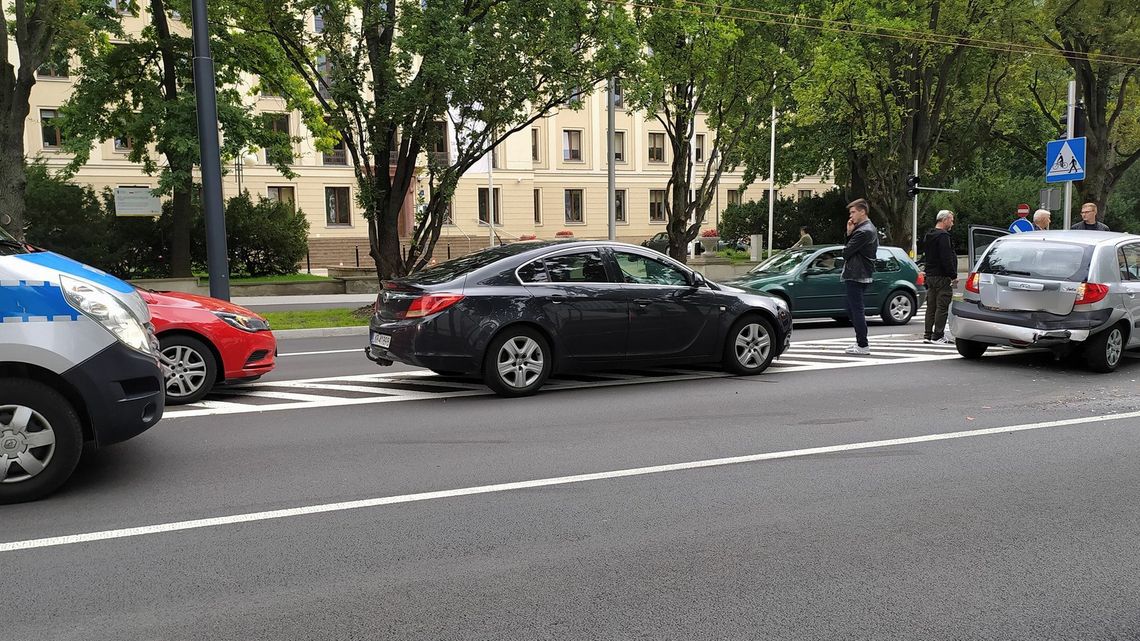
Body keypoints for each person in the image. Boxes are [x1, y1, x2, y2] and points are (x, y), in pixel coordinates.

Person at [842, 199, 878, 355]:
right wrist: (850, 232)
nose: (851, 216)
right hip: (858, 273)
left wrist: (849, 233)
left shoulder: (864, 231)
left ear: (863, 212)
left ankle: (863, 345)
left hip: (857, 274)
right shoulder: (864, 229)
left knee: (856, 310)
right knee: (851, 309)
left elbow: (846, 252)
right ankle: (861, 342)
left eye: (853, 212)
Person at [921, 210, 957, 344]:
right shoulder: (943, 236)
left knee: (931, 306)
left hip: (930, 275)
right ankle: (938, 335)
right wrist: (953, 275)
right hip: (942, 276)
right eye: (951, 220)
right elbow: (946, 257)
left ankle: (927, 334)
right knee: (942, 307)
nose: (952, 223)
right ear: (944, 220)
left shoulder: (929, 235)